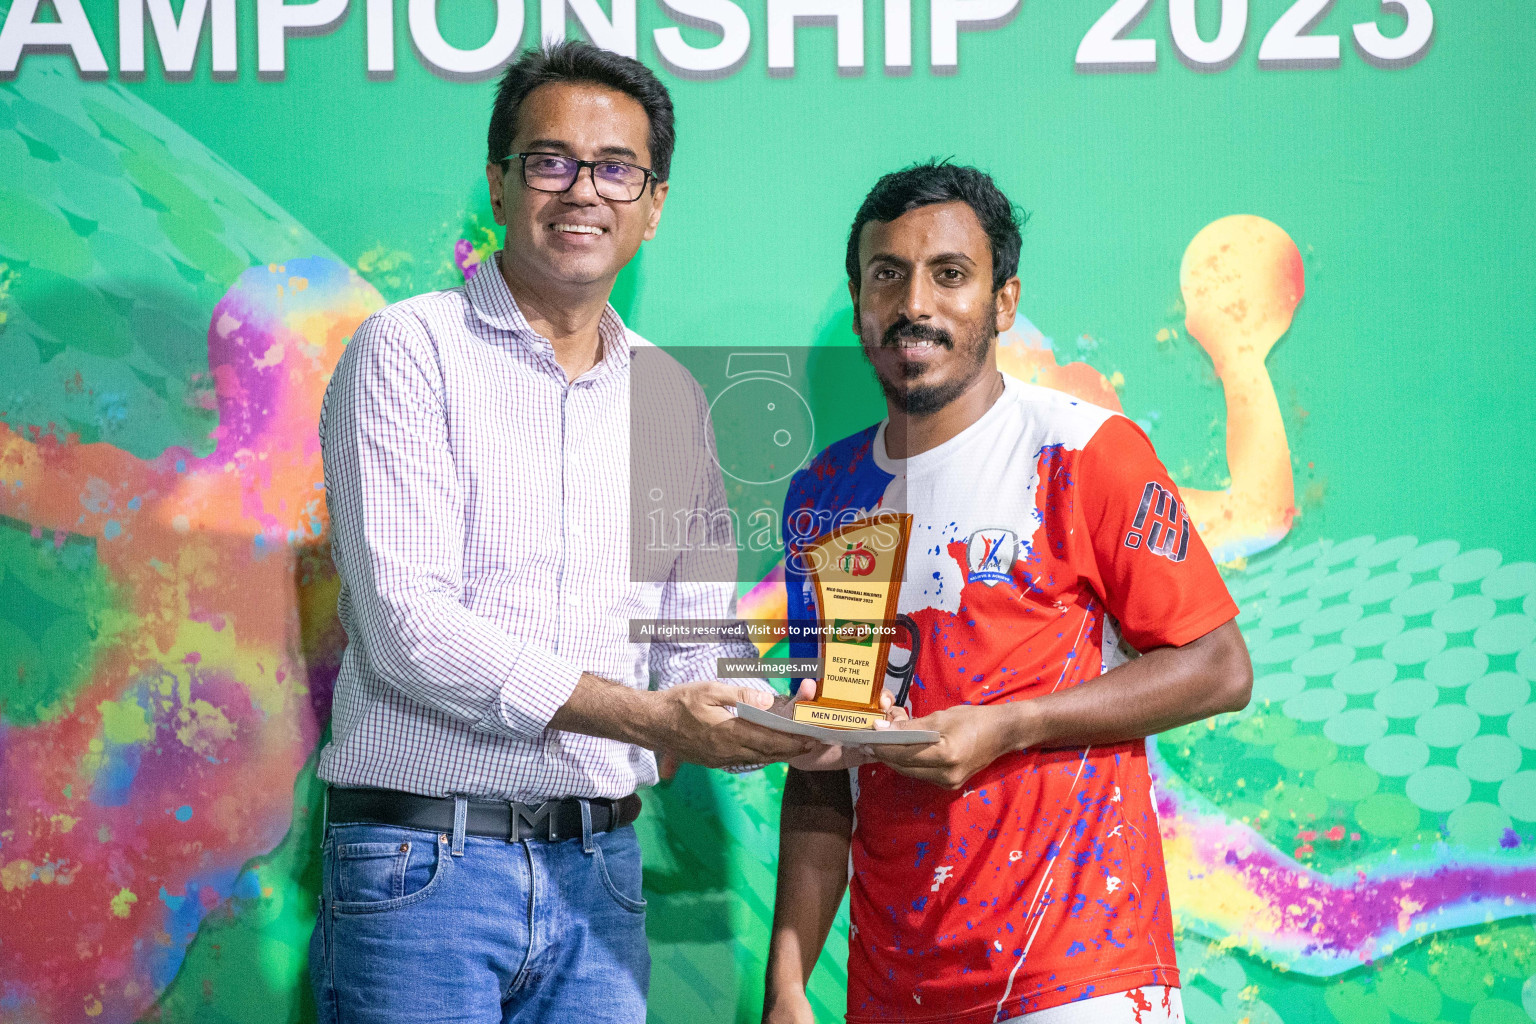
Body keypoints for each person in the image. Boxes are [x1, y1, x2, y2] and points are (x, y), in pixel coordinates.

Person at [309, 41, 828, 1024]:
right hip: (424, 869)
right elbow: (408, 628)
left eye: (615, 167)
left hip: (601, 869)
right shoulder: (411, 350)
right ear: (500, 185)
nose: (581, 190)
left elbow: (691, 645)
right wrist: (648, 721)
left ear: (654, 203)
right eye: (549, 160)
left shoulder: (668, 398)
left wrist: (795, 727)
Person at [762, 162, 1254, 1024]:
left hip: (1081, 977)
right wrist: (789, 984)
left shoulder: (1082, 450)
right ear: (860, 303)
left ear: (1003, 301)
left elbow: (1218, 666)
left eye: (950, 275)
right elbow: (822, 772)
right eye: (889, 275)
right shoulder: (824, 493)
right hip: (890, 990)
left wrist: (1015, 722)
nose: (916, 302)